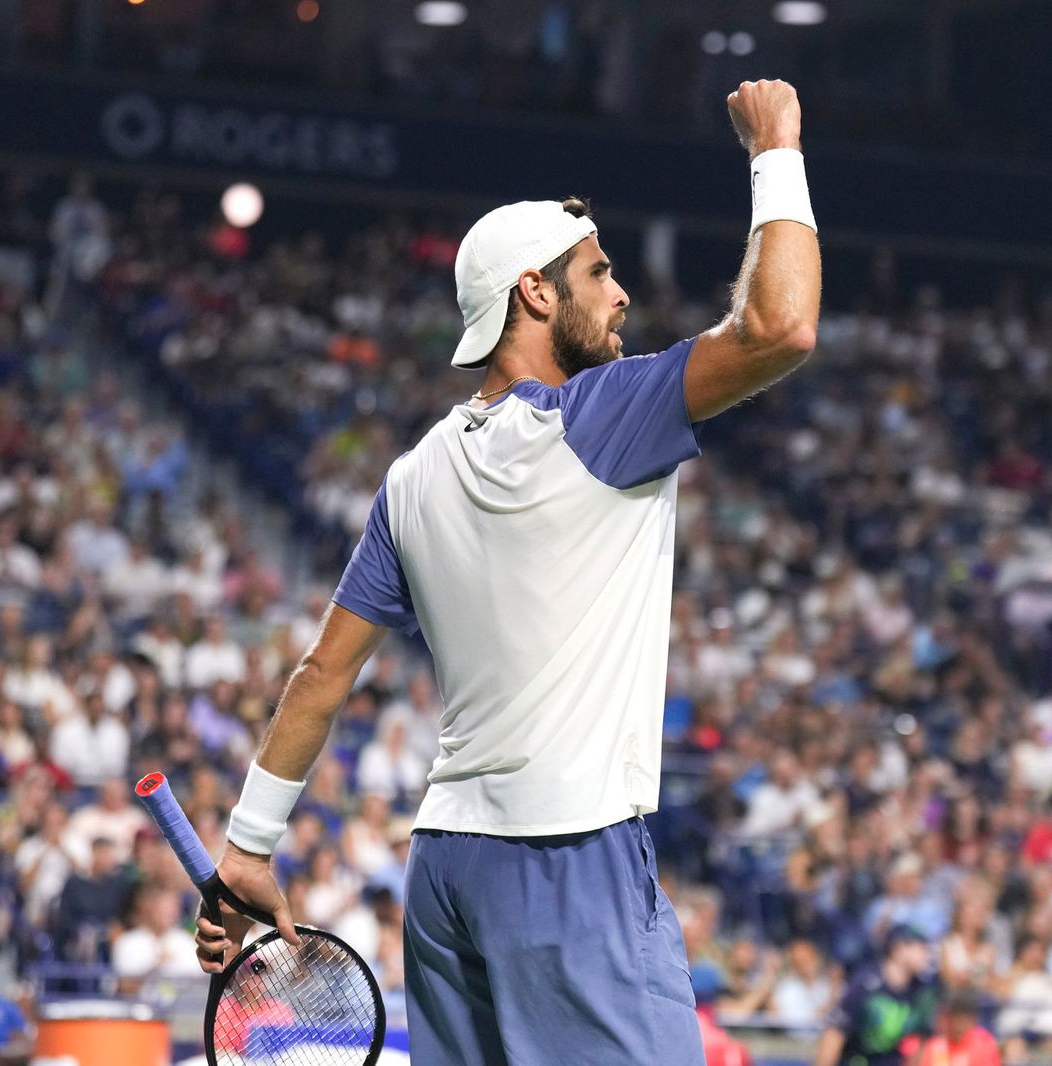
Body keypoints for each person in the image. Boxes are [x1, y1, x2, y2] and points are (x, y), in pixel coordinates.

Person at [195, 78, 820, 1066]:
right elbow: (781, 327)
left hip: (447, 870)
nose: (621, 295)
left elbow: (319, 676)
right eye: (599, 272)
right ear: (535, 290)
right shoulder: (605, 414)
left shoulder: (411, 477)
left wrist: (247, 848)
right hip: (568, 856)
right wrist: (776, 147)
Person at [814, 926, 940, 1066]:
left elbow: (921, 1042)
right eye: (921, 949)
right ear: (898, 948)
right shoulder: (866, 984)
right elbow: (834, 1033)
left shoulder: (920, 991)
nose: (927, 956)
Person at [898, 990, 1003, 1066]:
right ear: (947, 1019)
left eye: (964, 1021)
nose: (959, 1026)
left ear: (973, 1021)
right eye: (956, 1020)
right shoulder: (926, 1046)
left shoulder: (984, 1045)